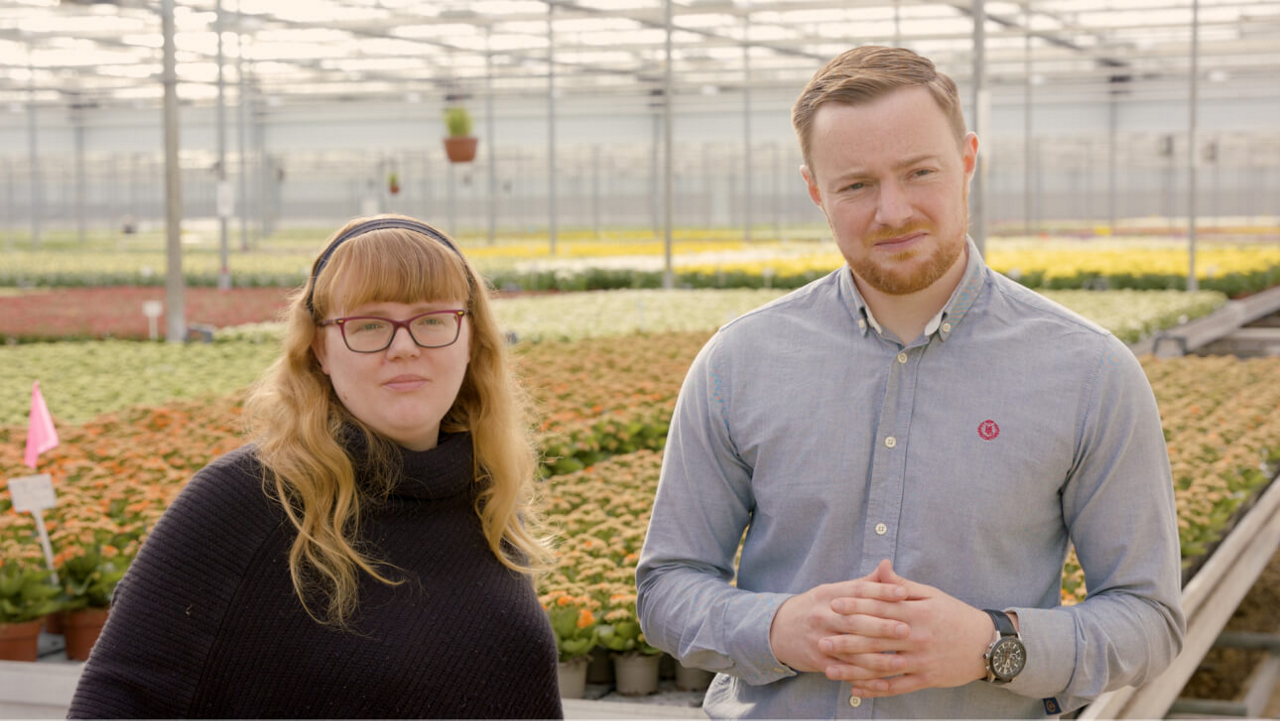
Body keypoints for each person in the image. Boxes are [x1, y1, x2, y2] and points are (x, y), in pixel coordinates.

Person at [636, 46, 1185, 718]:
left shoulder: (1089, 371)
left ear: (967, 160)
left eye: (919, 172)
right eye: (856, 185)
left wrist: (993, 643)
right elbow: (667, 585)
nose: (892, 211)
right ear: (815, 189)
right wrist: (782, 629)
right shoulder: (738, 361)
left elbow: (1149, 617)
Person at [69, 215, 563, 718]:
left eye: (432, 319)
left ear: (471, 337)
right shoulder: (247, 499)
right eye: (368, 325)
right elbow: (115, 701)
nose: (404, 347)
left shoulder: (483, 493)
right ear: (319, 348)